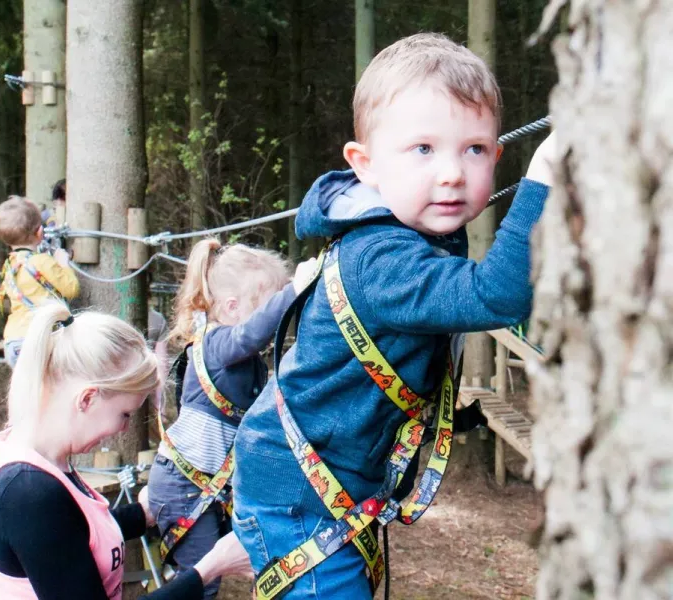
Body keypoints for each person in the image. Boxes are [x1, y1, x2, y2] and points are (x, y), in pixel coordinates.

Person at [231, 33, 557, 599]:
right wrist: (547, 174)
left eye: (474, 150)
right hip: (300, 494)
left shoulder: (406, 238)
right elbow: (499, 296)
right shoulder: (380, 258)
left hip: (323, 482)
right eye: (423, 149)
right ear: (365, 165)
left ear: (495, 156)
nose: (452, 173)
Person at [0, 303, 253, 599]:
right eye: (124, 414)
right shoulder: (28, 493)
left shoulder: (36, 460)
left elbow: (69, 542)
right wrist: (208, 569)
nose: (124, 428)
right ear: (87, 399)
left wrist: (142, 514)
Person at [146, 238, 315, 600]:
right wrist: (293, 291)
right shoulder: (217, 343)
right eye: (266, 306)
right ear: (233, 307)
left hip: (204, 485)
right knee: (201, 583)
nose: (273, 319)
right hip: (184, 483)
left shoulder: (245, 362)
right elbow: (250, 335)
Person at [0, 196, 80, 368]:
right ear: (40, 232)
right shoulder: (42, 261)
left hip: (14, 341)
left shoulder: (9, 265)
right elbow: (71, 289)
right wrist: (63, 263)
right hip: (41, 339)